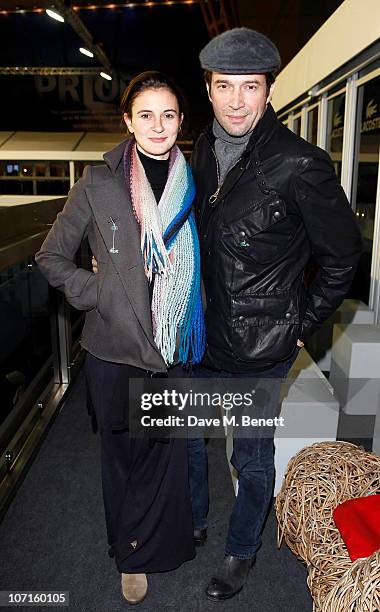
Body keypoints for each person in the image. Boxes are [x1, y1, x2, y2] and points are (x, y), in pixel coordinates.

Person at [188, 28, 362, 601]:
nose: (237, 101)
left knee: (252, 455)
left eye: (251, 87)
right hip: (203, 336)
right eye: (225, 87)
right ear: (209, 91)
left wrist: (294, 325)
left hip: (261, 348)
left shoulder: (300, 164)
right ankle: (193, 521)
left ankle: (241, 552)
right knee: (188, 433)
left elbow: (343, 259)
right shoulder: (201, 150)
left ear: (268, 92)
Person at [35, 71, 205, 605]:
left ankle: (160, 542)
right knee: (126, 457)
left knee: (165, 454)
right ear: (127, 121)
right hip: (116, 349)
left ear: (181, 121)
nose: (159, 126)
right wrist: (99, 290)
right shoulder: (97, 183)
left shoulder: (194, 180)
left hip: (173, 345)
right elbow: (50, 258)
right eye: (146, 115)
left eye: (169, 114)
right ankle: (130, 555)